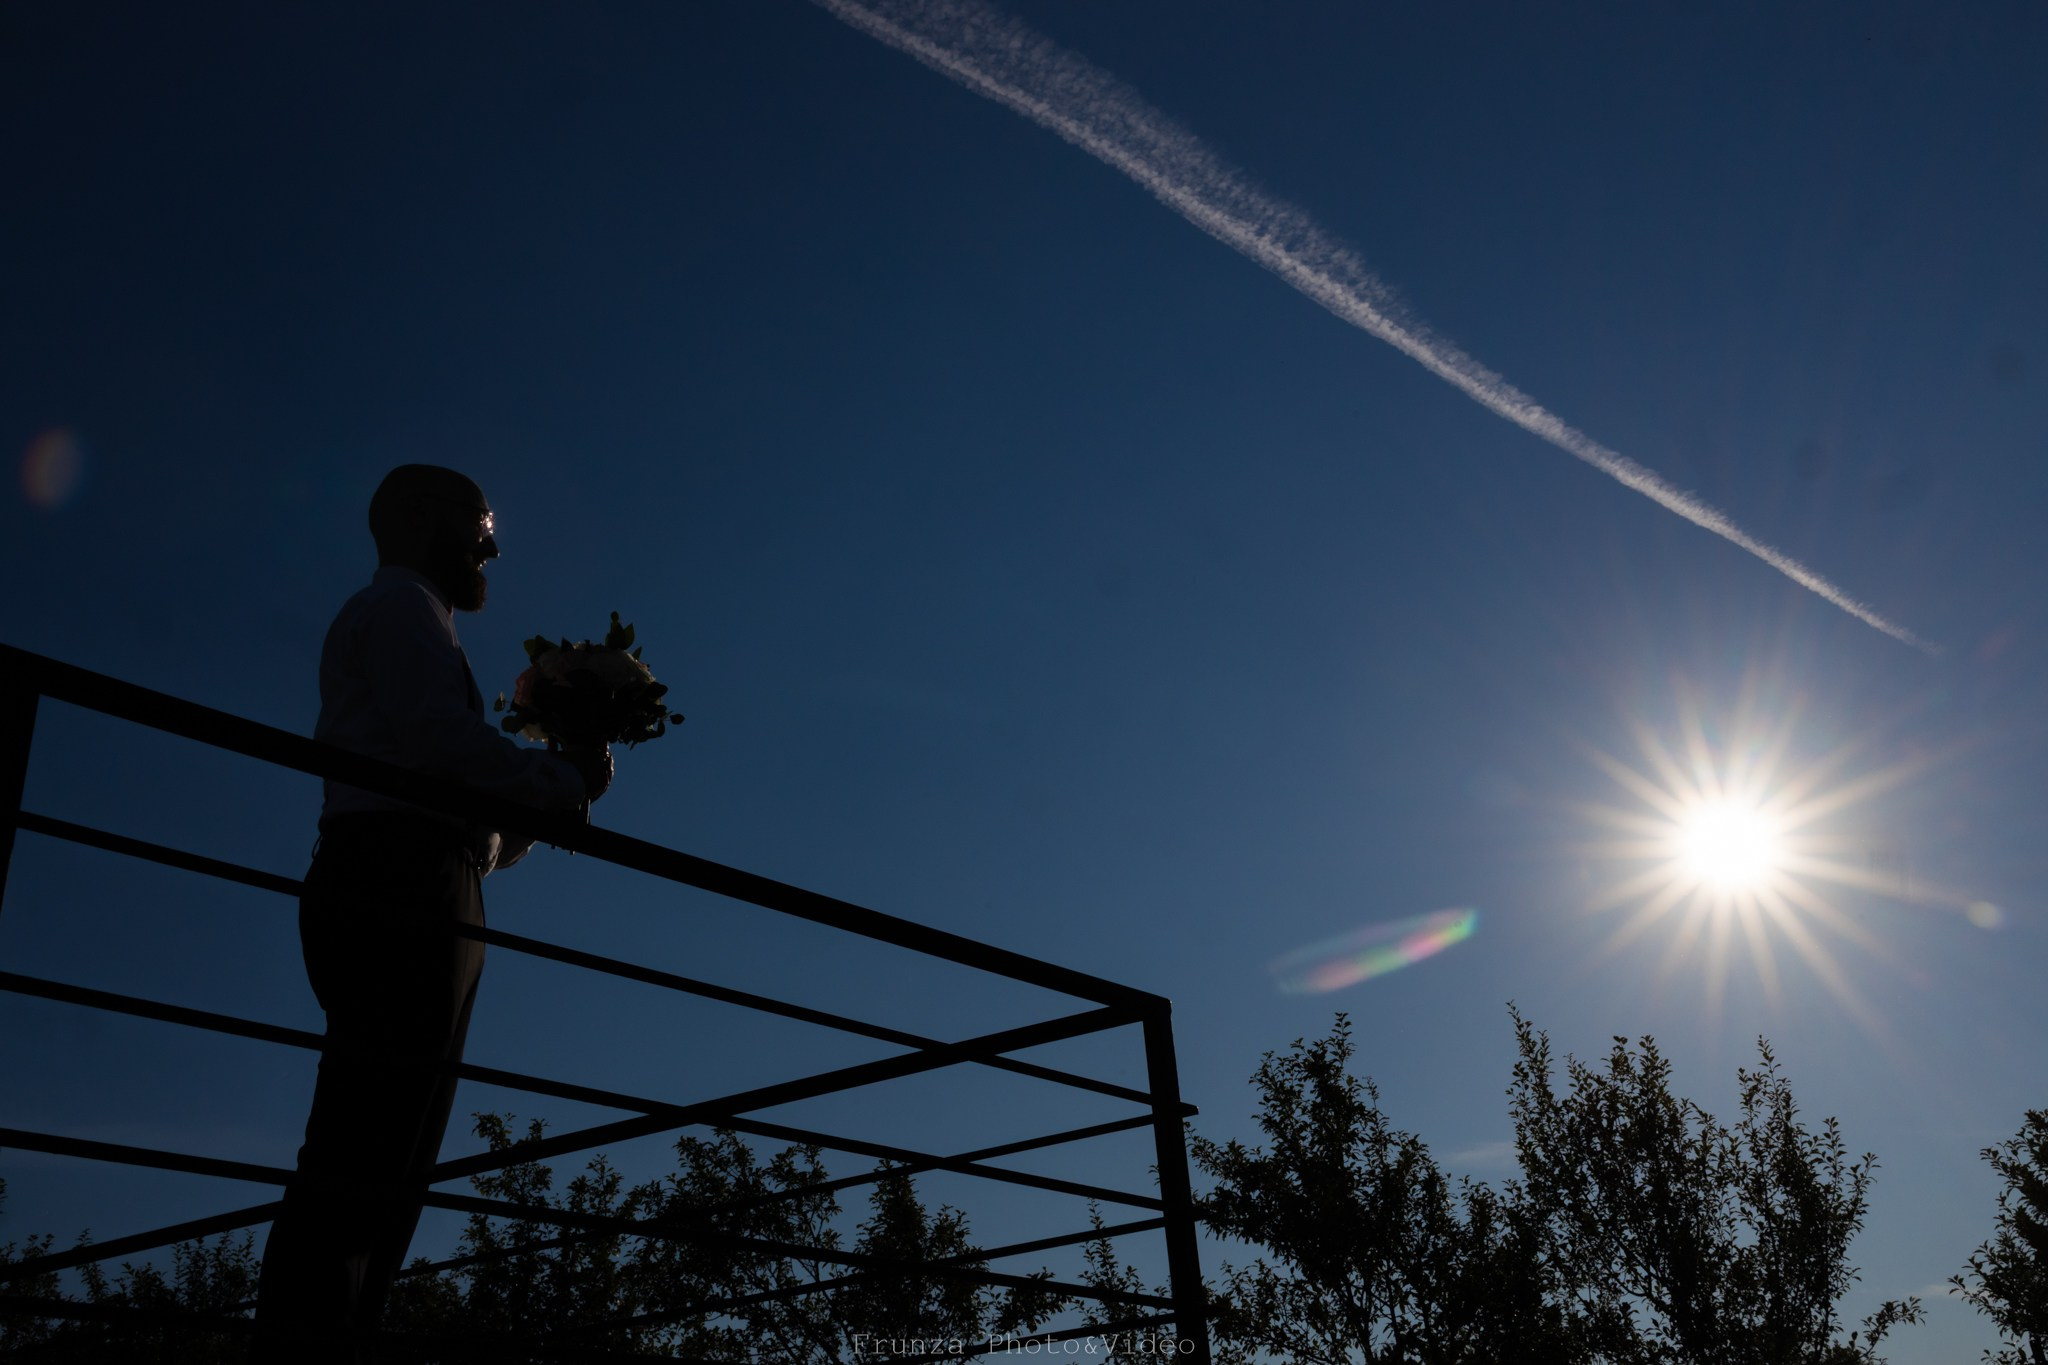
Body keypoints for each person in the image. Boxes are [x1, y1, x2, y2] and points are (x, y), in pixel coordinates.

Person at [251, 465, 612, 1363]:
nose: (491, 545)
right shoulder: (402, 612)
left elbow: (456, 807)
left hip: (418, 875)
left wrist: (539, 798)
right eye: (479, 524)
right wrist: (561, 779)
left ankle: (334, 1326)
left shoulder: (413, 622)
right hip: (401, 884)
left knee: (389, 1155)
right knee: (370, 1151)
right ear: (421, 522)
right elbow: (440, 751)